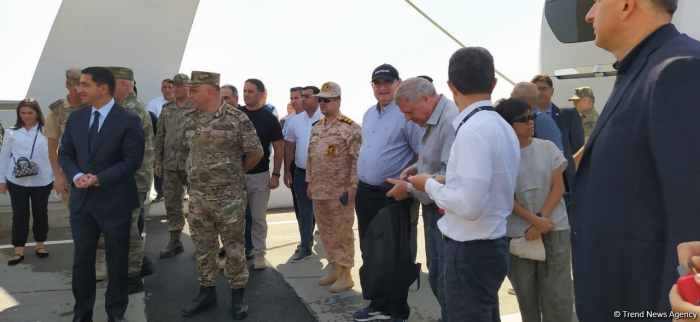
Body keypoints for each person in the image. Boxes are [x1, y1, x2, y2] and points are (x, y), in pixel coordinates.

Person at [572, 1, 700, 320]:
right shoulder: (641, 69)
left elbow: (693, 225)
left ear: (627, 4)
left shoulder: (679, 67)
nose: (589, 14)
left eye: (597, 2)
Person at [408, 47, 520, 321]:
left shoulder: (473, 130)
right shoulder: (499, 124)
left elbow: (469, 207)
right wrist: (445, 180)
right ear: (493, 84)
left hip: (470, 250)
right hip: (490, 245)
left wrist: (428, 185)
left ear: (450, 86)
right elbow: (491, 182)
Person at [58, 66, 145, 322]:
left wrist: (99, 178)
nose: (79, 89)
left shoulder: (129, 120)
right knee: (82, 261)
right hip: (82, 203)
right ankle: (82, 315)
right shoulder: (76, 118)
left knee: (117, 262)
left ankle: (115, 315)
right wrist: (75, 176)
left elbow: (133, 160)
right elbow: (65, 153)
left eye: (85, 84)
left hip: (115, 201)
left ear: (103, 88)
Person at [181, 71, 263, 319]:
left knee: (234, 249)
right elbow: (189, 151)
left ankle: (238, 295)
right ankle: (207, 292)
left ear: (208, 91)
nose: (189, 95)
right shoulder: (190, 119)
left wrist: (234, 174)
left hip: (228, 199)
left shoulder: (237, 119)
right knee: (204, 248)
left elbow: (255, 152)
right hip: (197, 199)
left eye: (193, 91)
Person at [353, 64, 422, 322]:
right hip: (365, 193)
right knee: (370, 251)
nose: (382, 87)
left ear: (398, 83)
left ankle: (398, 309)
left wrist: (409, 186)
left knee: (397, 253)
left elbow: (420, 155)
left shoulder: (406, 113)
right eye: (377, 83)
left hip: (393, 194)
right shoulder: (369, 113)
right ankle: (377, 303)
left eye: (387, 82)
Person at [495, 98, 574, 322]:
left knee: (557, 293)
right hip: (518, 232)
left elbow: (558, 187)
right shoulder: (501, 156)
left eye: (532, 116)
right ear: (507, 125)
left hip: (553, 226)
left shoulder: (547, 147)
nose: (530, 122)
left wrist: (540, 220)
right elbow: (505, 197)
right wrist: (533, 221)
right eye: (523, 118)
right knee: (526, 293)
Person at [386, 77, 458, 321]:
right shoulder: (431, 118)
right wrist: (416, 168)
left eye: (409, 112)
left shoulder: (449, 121)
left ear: (425, 98)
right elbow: (434, 162)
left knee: (448, 282)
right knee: (437, 275)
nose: (408, 118)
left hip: (446, 215)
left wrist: (408, 188)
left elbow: (452, 176)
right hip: (433, 213)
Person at [306, 82, 361, 293]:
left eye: (326, 100)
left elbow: (357, 159)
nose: (322, 103)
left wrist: (353, 185)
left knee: (343, 233)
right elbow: (311, 157)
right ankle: (334, 267)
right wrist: (310, 182)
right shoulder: (317, 127)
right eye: (320, 99)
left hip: (340, 192)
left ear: (338, 101)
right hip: (319, 190)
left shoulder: (350, 128)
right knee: (326, 232)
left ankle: (346, 273)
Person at [105, 66, 156, 294]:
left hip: (131, 180)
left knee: (127, 230)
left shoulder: (131, 110)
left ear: (125, 84)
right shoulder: (123, 108)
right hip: (128, 179)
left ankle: (133, 276)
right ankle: (139, 265)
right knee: (129, 226)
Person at [0, 99, 53, 266]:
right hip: (16, 180)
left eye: (30, 112)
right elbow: (4, 157)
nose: (26, 116)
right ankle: (18, 250)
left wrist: (59, 177)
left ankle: (40, 246)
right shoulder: (11, 132)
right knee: (20, 215)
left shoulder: (47, 131)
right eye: (23, 113)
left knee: (41, 213)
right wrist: (1, 180)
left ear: (37, 113)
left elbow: (55, 155)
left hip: (42, 179)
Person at [239, 78, 284, 270]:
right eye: (244, 91)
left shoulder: (268, 118)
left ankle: (259, 254)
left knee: (258, 217)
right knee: (236, 218)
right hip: (237, 176)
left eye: (250, 91)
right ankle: (237, 254)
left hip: (260, 175)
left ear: (260, 95)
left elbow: (279, 148)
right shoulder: (237, 115)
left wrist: (276, 175)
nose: (246, 94)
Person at [155, 73, 193, 258]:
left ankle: (202, 243)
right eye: (172, 85)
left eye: (178, 85)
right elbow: (160, 136)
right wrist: (158, 161)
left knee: (198, 205)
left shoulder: (196, 107)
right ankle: (175, 241)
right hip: (170, 163)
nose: (174, 88)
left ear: (188, 87)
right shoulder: (167, 108)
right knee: (172, 204)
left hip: (192, 164)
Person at [283, 85, 323, 262]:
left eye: (307, 96)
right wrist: (286, 170)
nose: (303, 99)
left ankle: (333, 251)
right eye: (302, 96)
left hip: (324, 175)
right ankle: (306, 246)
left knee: (325, 212)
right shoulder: (295, 121)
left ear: (317, 98)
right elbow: (289, 147)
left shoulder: (327, 118)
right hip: (301, 173)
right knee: (304, 212)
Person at [531, 75, 583, 206]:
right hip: (537, 180)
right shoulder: (526, 118)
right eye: (536, 89)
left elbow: (577, 145)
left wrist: (564, 165)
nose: (540, 92)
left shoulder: (567, 115)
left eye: (543, 88)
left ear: (552, 91)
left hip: (564, 181)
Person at [45, 68, 83, 208]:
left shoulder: (95, 106)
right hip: (71, 172)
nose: (81, 92)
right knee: (78, 218)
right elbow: (52, 146)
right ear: (67, 86)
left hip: (96, 171)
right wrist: (58, 175)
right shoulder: (57, 110)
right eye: (76, 88)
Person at [510, 82, 563, 150]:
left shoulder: (544, 122)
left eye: (512, 96)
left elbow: (557, 155)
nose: (510, 99)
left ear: (522, 99)